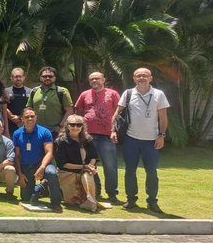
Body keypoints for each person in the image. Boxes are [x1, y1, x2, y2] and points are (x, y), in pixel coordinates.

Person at [111, 68, 169, 213]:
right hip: (131, 139)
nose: (142, 78)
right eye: (138, 76)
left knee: (151, 172)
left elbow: (163, 116)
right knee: (130, 171)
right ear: (134, 78)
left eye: (145, 75)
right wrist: (113, 131)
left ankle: (152, 201)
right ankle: (131, 200)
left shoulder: (158, 94)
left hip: (151, 141)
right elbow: (117, 113)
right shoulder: (128, 93)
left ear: (151, 78)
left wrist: (161, 135)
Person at [74, 71, 122, 204]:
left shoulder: (112, 94)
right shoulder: (84, 94)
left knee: (110, 166)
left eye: (97, 78)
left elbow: (119, 113)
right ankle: (96, 191)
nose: (94, 81)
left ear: (103, 80)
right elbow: (77, 111)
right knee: (90, 165)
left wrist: (115, 130)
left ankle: (112, 194)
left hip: (106, 136)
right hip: (87, 137)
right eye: (91, 79)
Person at [12, 107, 63, 212]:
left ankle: (56, 202)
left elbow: (49, 152)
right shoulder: (17, 134)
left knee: (52, 173)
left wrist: (42, 167)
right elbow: (17, 156)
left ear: (36, 118)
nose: (30, 118)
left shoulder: (45, 132)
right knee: (25, 198)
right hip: (26, 167)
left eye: (32, 116)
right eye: (27, 117)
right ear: (22, 119)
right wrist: (20, 174)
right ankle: (42, 187)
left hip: (42, 164)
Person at [54, 115, 100, 212]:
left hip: (85, 171)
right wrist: (84, 166)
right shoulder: (61, 141)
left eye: (79, 125)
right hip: (68, 173)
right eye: (72, 125)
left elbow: (94, 157)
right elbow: (62, 164)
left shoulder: (88, 139)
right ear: (67, 126)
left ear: (82, 126)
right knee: (72, 202)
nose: (75, 127)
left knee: (87, 176)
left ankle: (91, 202)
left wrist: (90, 166)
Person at [25, 66, 73, 136]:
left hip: (55, 131)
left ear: (55, 78)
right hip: (37, 130)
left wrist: (61, 126)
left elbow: (69, 110)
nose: (47, 78)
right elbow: (29, 109)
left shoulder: (61, 91)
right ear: (40, 77)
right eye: (44, 76)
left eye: (50, 76)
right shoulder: (34, 91)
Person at [5, 67, 31, 134]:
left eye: (20, 76)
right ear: (11, 78)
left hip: (25, 123)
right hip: (9, 124)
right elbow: (3, 107)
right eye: (16, 77)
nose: (18, 79)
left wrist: (20, 118)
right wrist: (12, 117)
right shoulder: (6, 91)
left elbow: (31, 107)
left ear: (24, 77)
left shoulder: (30, 91)